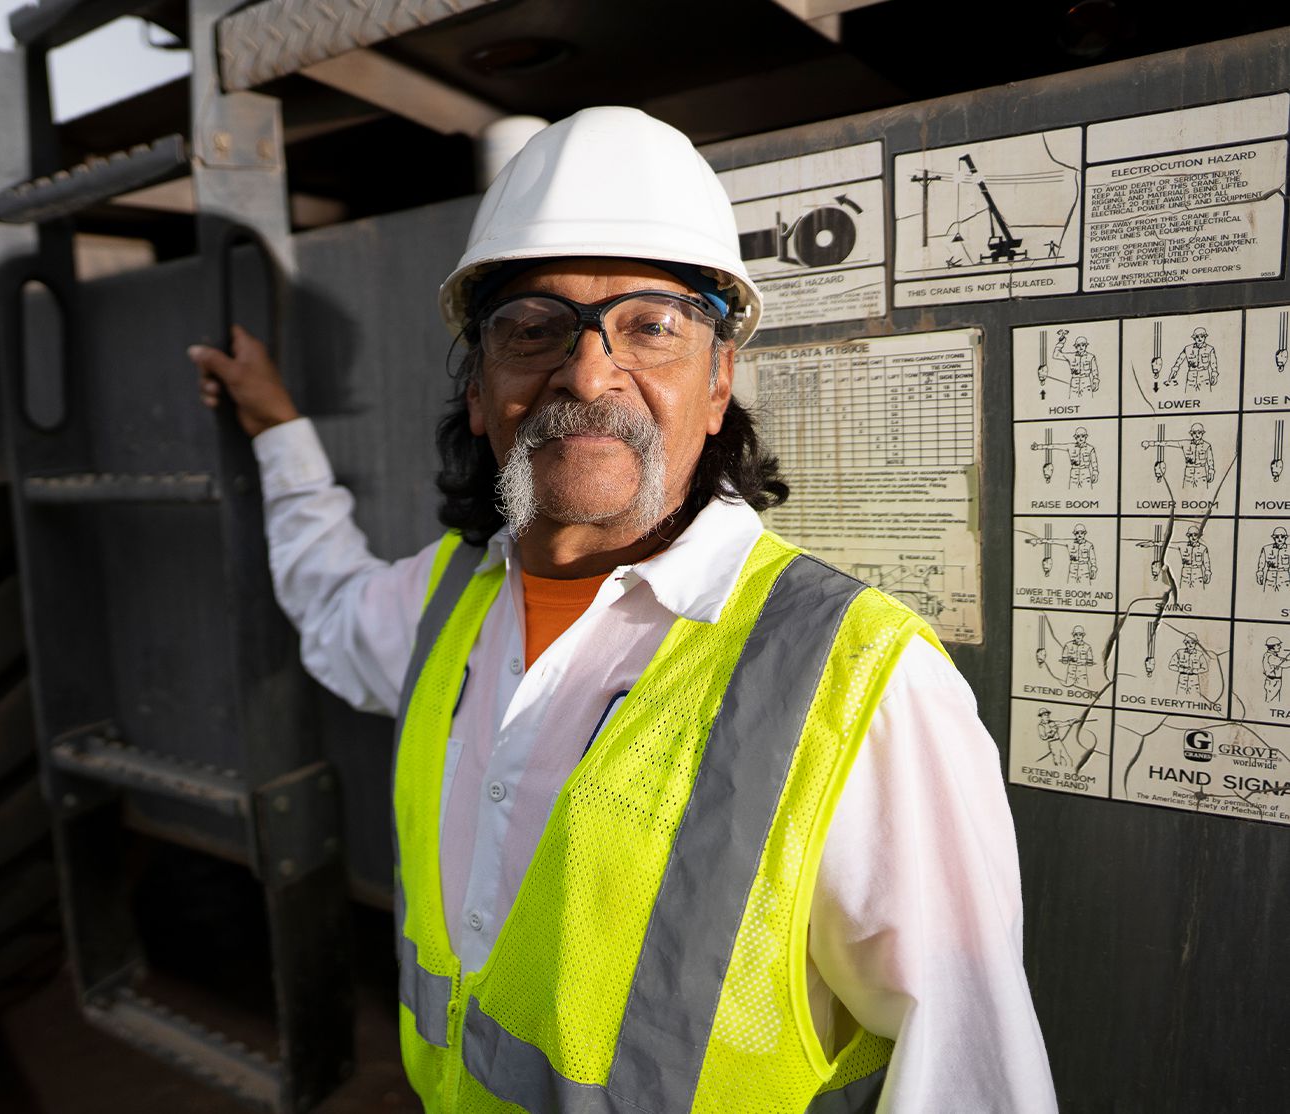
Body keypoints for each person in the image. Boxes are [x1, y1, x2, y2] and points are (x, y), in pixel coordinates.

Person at [188, 107, 1054, 1112]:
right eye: (532, 327)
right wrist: (278, 431)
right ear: (478, 387)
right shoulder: (444, 604)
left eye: (650, 325)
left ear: (718, 378)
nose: (587, 372)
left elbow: (967, 1077)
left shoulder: (859, 686)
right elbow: (331, 604)